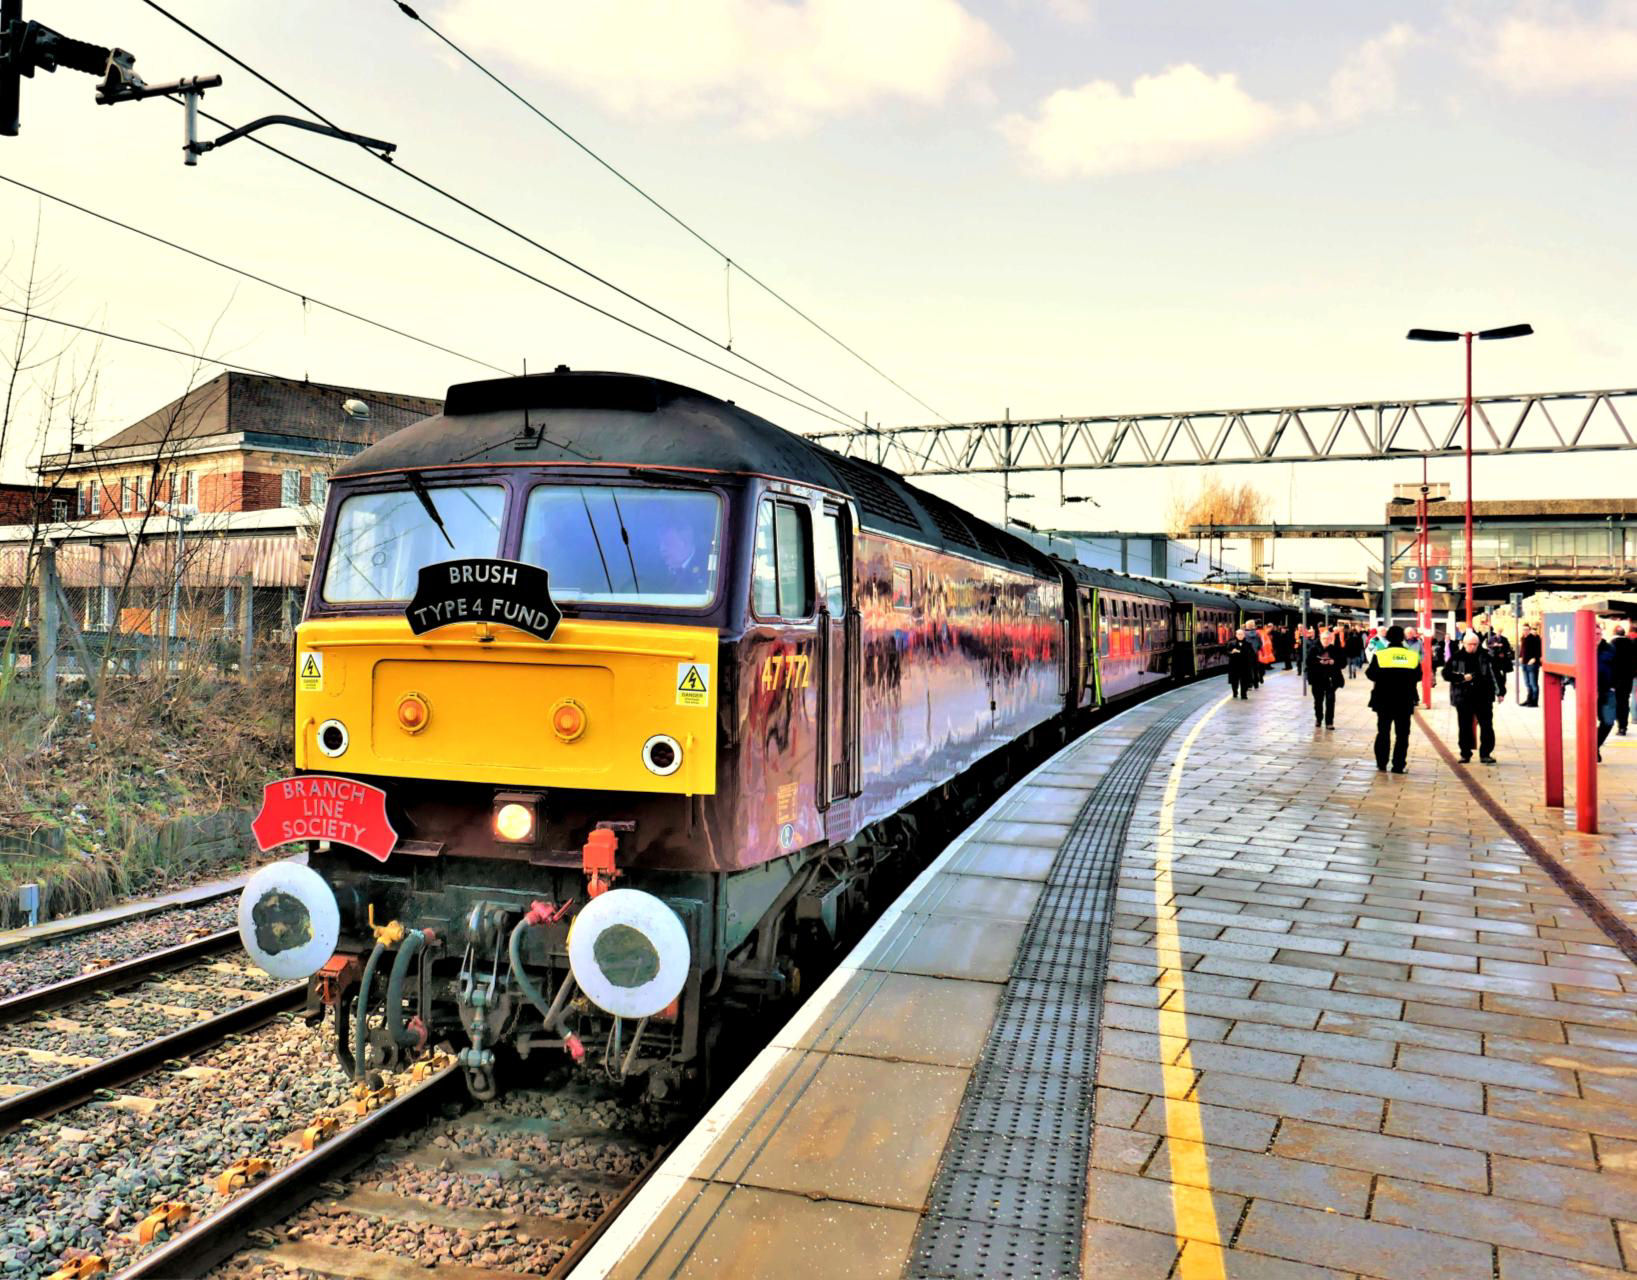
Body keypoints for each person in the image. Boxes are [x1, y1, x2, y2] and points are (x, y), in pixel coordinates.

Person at [1443, 630, 1505, 764]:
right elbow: (1446, 674)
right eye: (1470, 644)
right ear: (1464, 643)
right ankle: (1465, 753)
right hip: (1463, 697)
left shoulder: (1486, 656)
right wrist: (1461, 678)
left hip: (1483, 696)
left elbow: (1496, 675)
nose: (1472, 647)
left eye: (1475, 644)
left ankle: (1485, 753)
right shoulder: (1457, 656)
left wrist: (1500, 692)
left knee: (1486, 725)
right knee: (1464, 726)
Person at [1367, 624, 1422, 773]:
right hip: (1404, 700)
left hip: (1383, 699)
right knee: (1402, 734)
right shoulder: (1412, 656)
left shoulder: (1380, 655)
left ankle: (1381, 762)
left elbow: (1370, 674)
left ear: (1388, 637)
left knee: (1383, 732)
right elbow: (1418, 676)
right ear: (1402, 638)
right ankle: (1398, 765)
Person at [1308, 627, 1345, 728]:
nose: (1326, 640)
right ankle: (1318, 718)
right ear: (1320, 639)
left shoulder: (1335, 649)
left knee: (1330, 700)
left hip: (1331, 679)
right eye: (1324, 639)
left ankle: (1329, 722)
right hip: (1317, 678)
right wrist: (1319, 662)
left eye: (1328, 639)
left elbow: (1343, 663)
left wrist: (1334, 662)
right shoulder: (1313, 649)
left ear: (1331, 639)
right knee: (1318, 701)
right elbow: (1308, 662)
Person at [1597, 631, 1617, 761]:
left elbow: (1620, 668)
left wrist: (1614, 685)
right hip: (1587, 692)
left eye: (1599, 633)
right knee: (1587, 724)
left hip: (1607, 691)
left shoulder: (1609, 649)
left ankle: (1595, 746)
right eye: (1594, 633)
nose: (1596, 636)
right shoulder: (1581, 647)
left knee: (1608, 721)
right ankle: (1591, 749)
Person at [1612, 624, 1634, 735]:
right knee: (1624, 702)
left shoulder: (1612, 645)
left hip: (1615, 679)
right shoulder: (1631, 644)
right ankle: (1623, 726)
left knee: (1615, 702)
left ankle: (1618, 722)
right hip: (1627, 679)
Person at [1227, 628, 1257, 699]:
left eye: (1241, 634)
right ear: (1236, 635)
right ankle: (1235, 692)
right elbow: (1227, 653)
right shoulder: (1231, 643)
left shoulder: (1248, 644)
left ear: (1244, 635)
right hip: (1234, 666)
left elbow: (1252, 654)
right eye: (1238, 634)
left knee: (1244, 681)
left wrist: (1240, 652)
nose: (1240, 636)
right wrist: (1232, 652)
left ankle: (1244, 694)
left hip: (1244, 666)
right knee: (1234, 681)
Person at [1518, 623, 1542, 707]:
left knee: (1533, 684)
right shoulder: (1522, 638)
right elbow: (1522, 649)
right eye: (1523, 629)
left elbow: (1539, 650)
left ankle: (1534, 702)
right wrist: (1520, 656)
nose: (1524, 631)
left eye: (1526, 629)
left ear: (1529, 630)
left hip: (1532, 664)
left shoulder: (1534, 638)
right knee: (1527, 683)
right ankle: (1529, 700)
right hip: (1524, 663)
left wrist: (1535, 658)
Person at [1487, 629, 1514, 698]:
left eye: (1500, 631)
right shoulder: (1492, 638)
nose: (1499, 633)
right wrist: (1494, 645)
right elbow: (1488, 645)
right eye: (1498, 631)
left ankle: (1502, 685)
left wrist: (1502, 647)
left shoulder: (1504, 639)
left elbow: (1508, 647)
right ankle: (1499, 685)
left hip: (1502, 658)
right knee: (1496, 672)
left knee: (1504, 673)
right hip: (1494, 658)